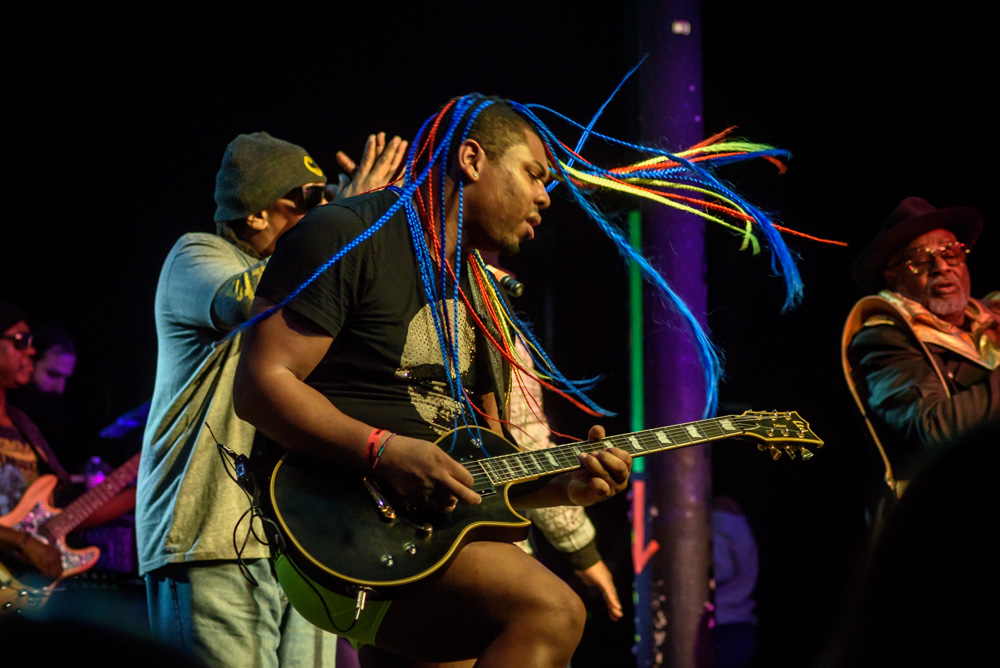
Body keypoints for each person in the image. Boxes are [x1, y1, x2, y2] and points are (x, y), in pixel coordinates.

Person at [232, 98, 633, 668]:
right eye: (534, 173)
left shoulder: (480, 293)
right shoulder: (349, 232)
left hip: (431, 541)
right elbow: (258, 385)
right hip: (337, 526)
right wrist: (384, 451)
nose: (546, 195)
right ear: (471, 159)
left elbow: (487, 468)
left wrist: (566, 488)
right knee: (553, 611)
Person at [137, 130, 406, 667]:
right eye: (310, 200)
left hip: (298, 542)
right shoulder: (196, 256)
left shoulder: (317, 289)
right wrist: (348, 217)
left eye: (328, 199)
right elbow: (249, 302)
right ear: (256, 214)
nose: (325, 212)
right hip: (208, 538)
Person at [842, 196, 999, 517]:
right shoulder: (882, 338)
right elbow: (936, 429)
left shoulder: (994, 319)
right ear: (893, 276)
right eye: (919, 259)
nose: (941, 266)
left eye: (949, 251)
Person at [0, 298, 68, 581]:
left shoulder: (24, 425)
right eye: (20, 340)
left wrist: (136, 484)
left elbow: (65, 511)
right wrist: (23, 543)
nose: (31, 350)